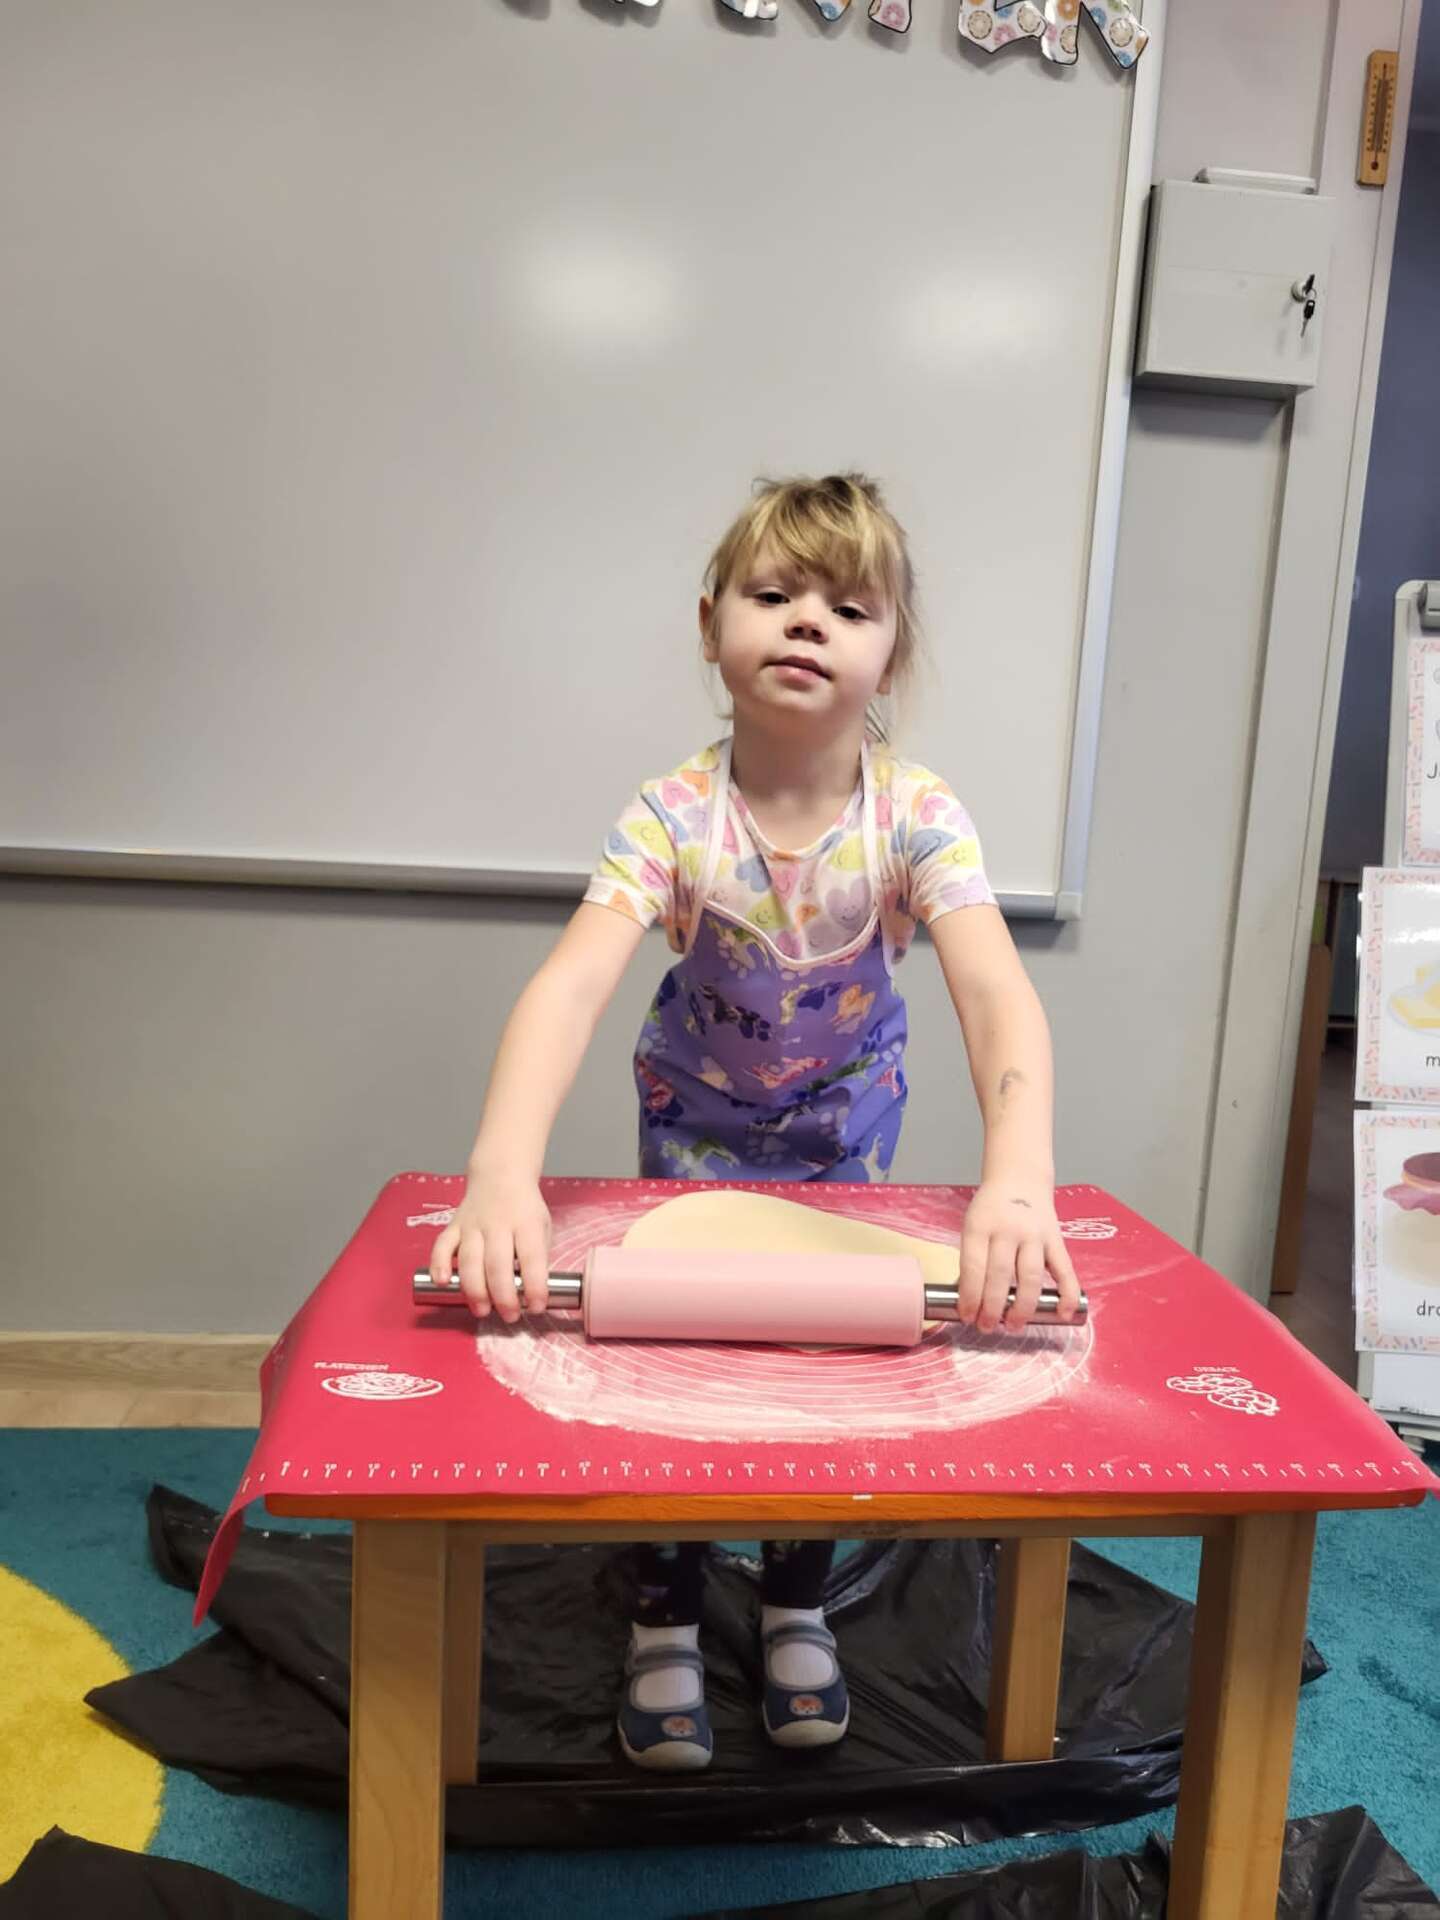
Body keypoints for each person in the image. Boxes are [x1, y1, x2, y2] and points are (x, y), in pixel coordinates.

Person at [429, 472, 1081, 1771]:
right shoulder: (674, 816)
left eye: (848, 606)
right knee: (676, 1354)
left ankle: (795, 1603)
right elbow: (570, 985)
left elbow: (995, 993)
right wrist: (500, 1172)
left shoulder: (916, 815)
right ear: (709, 622)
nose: (806, 623)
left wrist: (1020, 1178)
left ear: (892, 652)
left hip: (846, 1137)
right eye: (774, 594)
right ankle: (663, 1614)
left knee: (822, 1360)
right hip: (695, 1131)